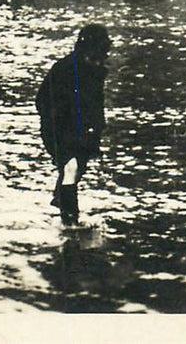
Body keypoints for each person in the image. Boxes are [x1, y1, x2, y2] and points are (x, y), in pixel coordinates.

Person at [36, 24, 112, 226]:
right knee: (71, 167)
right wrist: (55, 122)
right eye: (96, 54)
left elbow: (96, 104)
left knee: (76, 170)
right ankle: (70, 221)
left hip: (84, 131)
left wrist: (97, 128)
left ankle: (61, 199)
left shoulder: (97, 72)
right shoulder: (64, 69)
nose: (99, 59)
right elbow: (42, 100)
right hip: (58, 129)